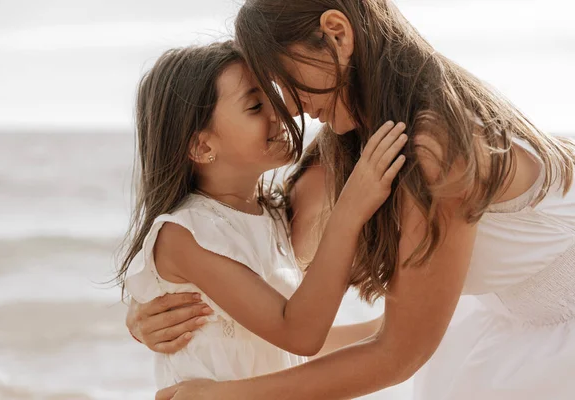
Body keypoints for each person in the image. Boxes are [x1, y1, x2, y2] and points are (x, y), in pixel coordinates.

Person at [144, 1, 575, 399]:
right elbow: (262, 261)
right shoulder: (356, 149)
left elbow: (397, 355)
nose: (289, 108)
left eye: (281, 80)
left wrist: (216, 396)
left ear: (337, 33)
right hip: (510, 325)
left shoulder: (434, 148)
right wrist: (163, 305)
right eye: (264, 95)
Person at [117, 40, 406, 389]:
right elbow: (298, 334)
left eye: (273, 95)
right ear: (202, 146)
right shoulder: (184, 235)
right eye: (255, 105)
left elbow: (284, 351)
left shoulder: (272, 217)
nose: (281, 110)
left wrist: (400, 327)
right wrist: (350, 212)